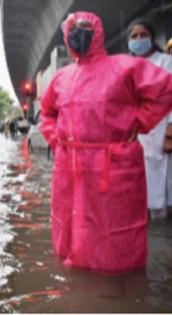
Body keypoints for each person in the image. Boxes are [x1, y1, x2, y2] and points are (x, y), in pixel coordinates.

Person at [40, 12, 172, 271]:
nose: (79, 33)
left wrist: (138, 122)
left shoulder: (125, 66)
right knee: (71, 224)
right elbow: (47, 113)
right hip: (70, 166)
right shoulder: (61, 78)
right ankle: (79, 285)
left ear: (97, 31)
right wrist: (57, 141)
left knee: (115, 233)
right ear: (66, 35)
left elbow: (165, 90)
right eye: (73, 28)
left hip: (113, 165)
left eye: (85, 27)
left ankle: (118, 288)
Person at [127, 19, 172, 219]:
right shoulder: (128, 65)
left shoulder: (166, 62)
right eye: (134, 36)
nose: (138, 39)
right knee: (138, 179)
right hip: (136, 133)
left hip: (162, 129)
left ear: (152, 38)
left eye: (143, 34)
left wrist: (171, 130)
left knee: (163, 176)